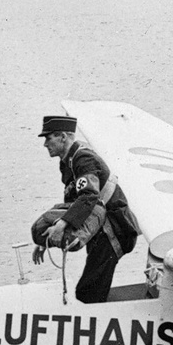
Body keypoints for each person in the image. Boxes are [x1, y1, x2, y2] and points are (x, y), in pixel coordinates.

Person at [31, 114, 136, 304]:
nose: (45, 144)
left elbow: (88, 195)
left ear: (63, 136)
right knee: (91, 288)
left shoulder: (83, 158)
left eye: (48, 138)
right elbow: (74, 200)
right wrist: (45, 239)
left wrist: (61, 225)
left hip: (114, 232)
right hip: (100, 229)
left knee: (88, 293)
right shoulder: (69, 161)